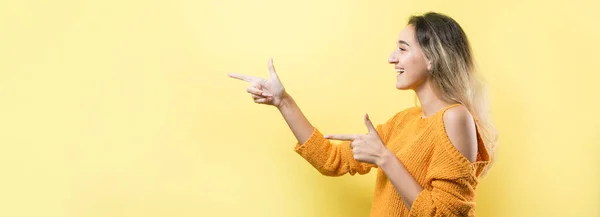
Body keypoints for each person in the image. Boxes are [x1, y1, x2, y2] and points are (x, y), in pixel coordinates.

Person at [228, 12, 498, 217]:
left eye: (403, 49)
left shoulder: (455, 117)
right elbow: (330, 160)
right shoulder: (404, 121)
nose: (392, 58)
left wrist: (384, 158)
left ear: (432, 58)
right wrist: (283, 101)